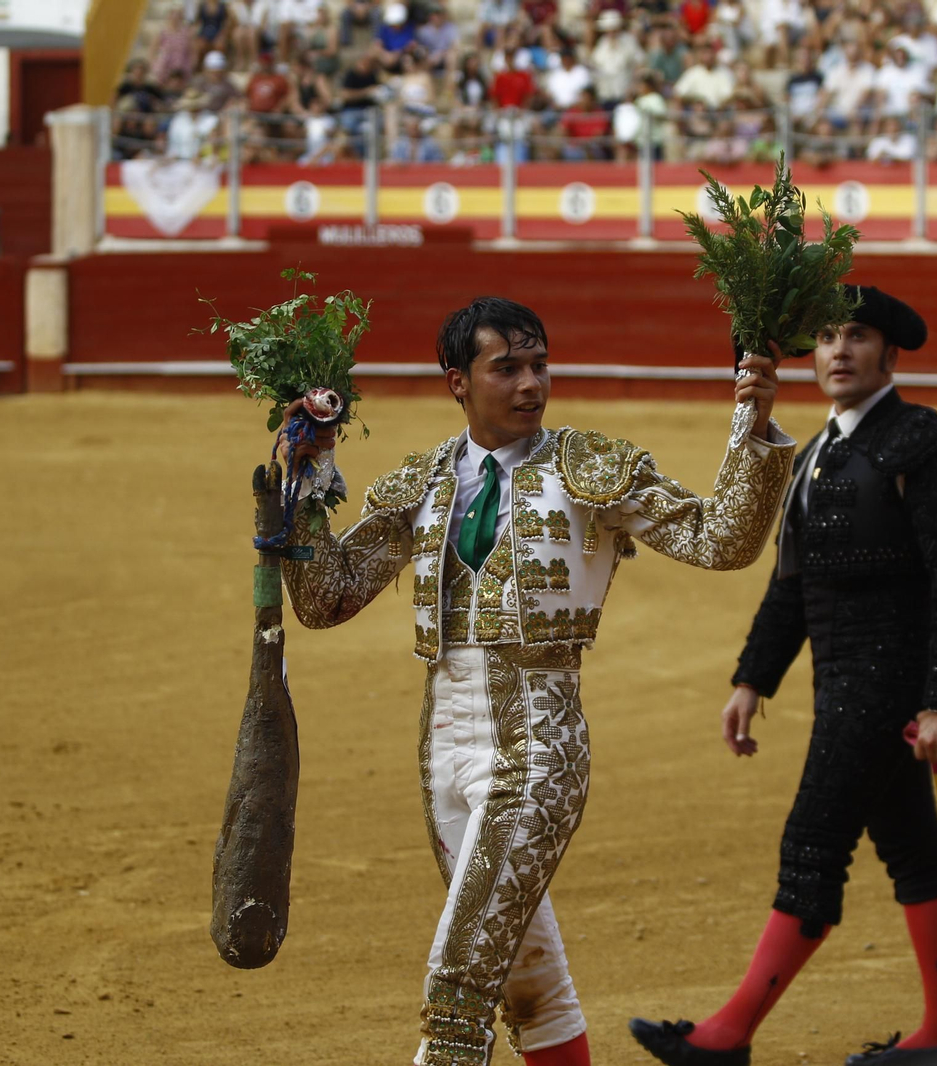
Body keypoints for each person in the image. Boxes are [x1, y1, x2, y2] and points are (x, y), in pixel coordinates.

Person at [278, 298, 795, 1066]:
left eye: (539, 365)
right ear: (458, 381)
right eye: (507, 368)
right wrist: (306, 483)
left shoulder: (588, 469)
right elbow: (327, 599)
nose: (530, 384)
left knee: (459, 986)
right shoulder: (425, 481)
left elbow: (721, 540)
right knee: (530, 985)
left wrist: (752, 422)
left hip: (539, 748)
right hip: (442, 752)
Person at [629, 287, 937, 1066]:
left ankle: (729, 1035)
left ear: (890, 353)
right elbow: (793, 584)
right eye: (826, 337)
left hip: (887, 685)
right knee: (911, 847)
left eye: (856, 335)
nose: (838, 350)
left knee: (813, 844)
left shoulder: (926, 444)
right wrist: (752, 679)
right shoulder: (817, 453)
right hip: (843, 679)